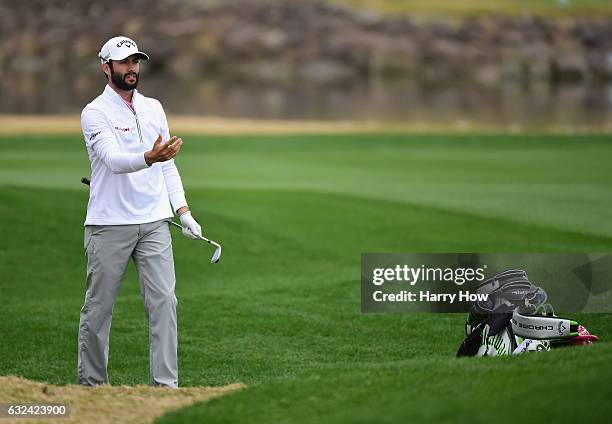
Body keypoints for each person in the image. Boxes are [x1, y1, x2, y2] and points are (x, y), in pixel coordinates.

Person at [77, 36, 202, 388]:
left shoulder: (154, 108)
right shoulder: (94, 113)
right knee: (98, 308)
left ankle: (165, 388)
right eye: (124, 63)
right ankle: (92, 386)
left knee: (165, 303)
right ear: (106, 67)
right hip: (109, 224)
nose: (132, 69)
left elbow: (167, 166)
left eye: (135, 62)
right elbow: (115, 162)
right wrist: (150, 157)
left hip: (154, 223)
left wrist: (183, 210)